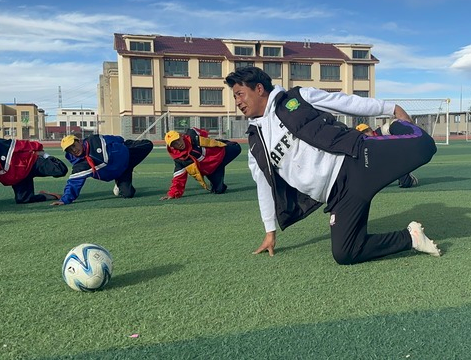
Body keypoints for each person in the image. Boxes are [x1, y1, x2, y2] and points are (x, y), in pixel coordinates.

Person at [225, 66, 440, 265]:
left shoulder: (297, 98)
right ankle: (412, 238)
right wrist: (269, 231)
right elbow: (264, 186)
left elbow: (343, 102)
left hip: (354, 160)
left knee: (424, 146)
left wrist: (391, 108)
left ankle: (393, 128)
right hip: (337, 195)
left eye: (240, 94)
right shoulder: (255, 143)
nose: (238, 101)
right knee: (345, 253)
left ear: (259, 89)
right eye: (235, 97)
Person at [0, 130, 67, 205]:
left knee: (61, 170)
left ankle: (45, 157)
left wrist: (39, 150)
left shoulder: (0, 144)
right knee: (23, 200)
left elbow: (21, 144)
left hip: (31, 163)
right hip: (19, 178)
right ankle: (49, 195)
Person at [52, 134, 153, 205]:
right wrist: (64, 200)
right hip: (121, 173)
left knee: (147, 144)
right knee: (128, 194)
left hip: (128, 154)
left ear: (79, 141)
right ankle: (119, 183)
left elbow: (116, 139)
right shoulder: (80, 167)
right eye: (70, 150)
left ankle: (130, 149)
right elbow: (73, 183)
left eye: (74, 146)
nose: (74, 150)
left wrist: (121, 143)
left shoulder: (95, 140)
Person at [160, 128, 241, 200]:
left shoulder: (192, 135)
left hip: (222, 153)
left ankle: (224, 144)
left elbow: (203, 133)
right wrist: (172, 194)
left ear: (181, 136)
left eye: (178, 140)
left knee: (236, 147)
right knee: (218, 190)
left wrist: (207, 138)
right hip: (213, 170)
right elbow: (178, 178)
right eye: (174, 143)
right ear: (172, 147)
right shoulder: (180, 160)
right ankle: (217, 181)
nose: (178, 144)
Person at [356, 122, 419, 188]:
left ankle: (408, 177)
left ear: (371, 129)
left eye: (367, 131)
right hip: (380, 162)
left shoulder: (382, 132)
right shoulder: (364, 144)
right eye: (363, 133)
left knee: (406, 184)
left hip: (396, 156)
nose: (367, 134)